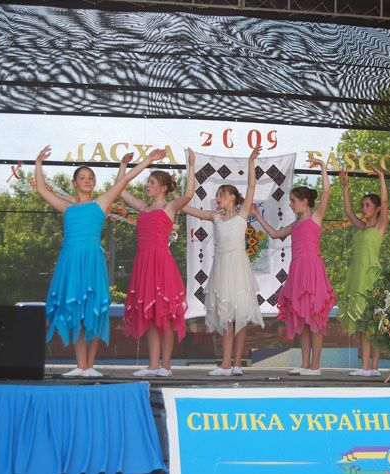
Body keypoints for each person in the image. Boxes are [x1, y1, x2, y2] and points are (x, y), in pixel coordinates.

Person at [35, 145, 166, 377]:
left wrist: (148, 159)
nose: (87, 180)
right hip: (71, 262)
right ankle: (81, 366)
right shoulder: (67, 207)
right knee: (75, 310)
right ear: (74, 183)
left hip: (92, 261)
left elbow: (125, 180)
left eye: (91, 177)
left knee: (93, 310)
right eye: (82, 177)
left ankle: (90, 366)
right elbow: (42, 190)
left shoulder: (101, 202)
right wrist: (38, 164)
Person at [182, 147, 264, 377]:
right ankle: (226, 364)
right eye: (217, 195)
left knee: (240, 317)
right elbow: (186, 206)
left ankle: (236, 364)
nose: (217, 198)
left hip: (238, 268)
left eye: (221, 195)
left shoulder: (242, 213)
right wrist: (190, 168)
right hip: (221, 267)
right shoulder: (215, 216)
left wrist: (250, 161)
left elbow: (251, 186)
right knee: (225, 316)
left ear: (232, 198)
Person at [115, 148, 196, 377]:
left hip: (161, 264)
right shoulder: (144, 207)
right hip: (144, 264)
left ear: (163, 187)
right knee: (150, 316)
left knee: (165, 316)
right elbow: (120, 189)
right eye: (148, 182)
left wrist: (191, 165)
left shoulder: (169, 208)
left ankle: (166, 366)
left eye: (151, 182)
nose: (147, 185)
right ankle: (153, 365)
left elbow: (189, 194)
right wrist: (123, 165)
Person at [251, 158, 335, 376]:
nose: (290, 204)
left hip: (312, 270)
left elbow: (326, 192)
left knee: (314, 319)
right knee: (303, 320)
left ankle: (315, 366)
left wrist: (323, 167)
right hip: (297, 271)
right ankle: (305, 364)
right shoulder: (295, 224)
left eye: (293, 201)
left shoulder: (315, 218)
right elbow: (274, 234)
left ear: (305, 202)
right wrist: (258, 216)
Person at [337, 166, 388, 377]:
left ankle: (370, 367)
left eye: (368, 205)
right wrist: (345, 186)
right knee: (363, 322)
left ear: (377, 208)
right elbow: (348, 211)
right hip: (357, 276)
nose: (363, 208)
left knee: (370, 322)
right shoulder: (361, 226)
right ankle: (371, 367)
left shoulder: (380, 226)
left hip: (371, 276)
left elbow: (385, 202)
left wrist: (381, 177)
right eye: (363, 205)